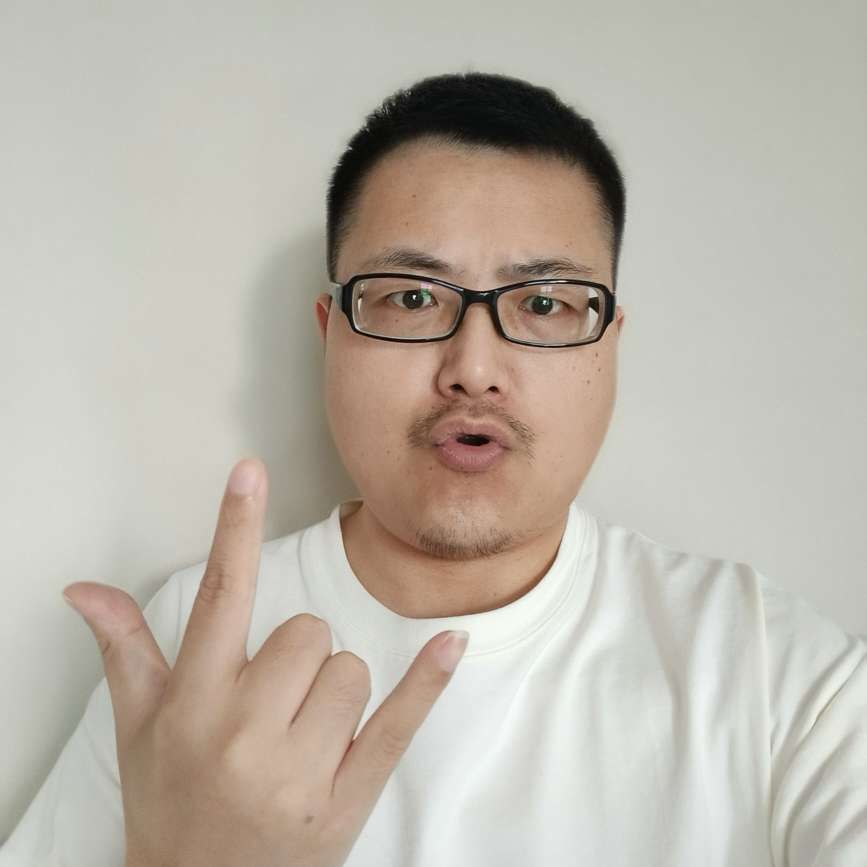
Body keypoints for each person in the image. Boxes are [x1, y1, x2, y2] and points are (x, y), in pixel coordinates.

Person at [1, 71, 864, 867]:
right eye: (411, 297)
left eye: (544, 302)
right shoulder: (197, 641)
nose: (473, 368)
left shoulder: (769, 666)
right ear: (330, 334)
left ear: (609, 342)